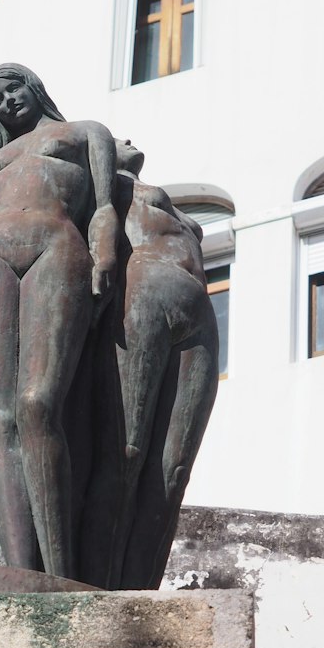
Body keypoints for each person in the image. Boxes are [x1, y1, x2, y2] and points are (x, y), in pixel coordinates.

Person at [0, 64, 119, 579]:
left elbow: (105, 204)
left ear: (35, 87)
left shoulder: (84, 134)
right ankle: (18, 572)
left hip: (56, 243)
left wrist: (103, 252)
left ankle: (59, 573)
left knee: (38, 404)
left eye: (12, 89)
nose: (6, 103)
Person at [79, 139, 219, 589]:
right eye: (117, 140)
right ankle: (101, 586)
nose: (128, 142)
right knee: (128, 451)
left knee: (174, 467)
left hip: (196, 307)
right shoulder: (102, 188)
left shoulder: (160, 198)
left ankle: (140, 588)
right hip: (142, 291)